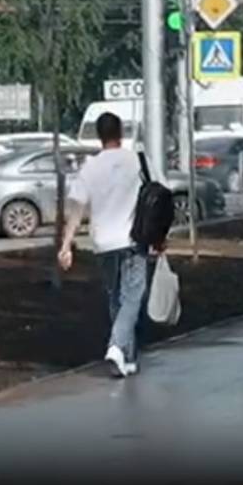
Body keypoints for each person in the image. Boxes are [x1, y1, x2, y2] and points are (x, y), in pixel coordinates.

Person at [58, 111, 156, 378]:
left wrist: (66, 245)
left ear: (99, 136)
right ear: (121, 134)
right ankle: (116, 346)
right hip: (134, 239)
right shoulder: (137, 161)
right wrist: (160, 237)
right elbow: (159, 196)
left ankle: (128, 356)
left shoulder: (90, 167)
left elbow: (76, 208)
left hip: (103, 241)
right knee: (133, 296)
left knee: (116, 296)